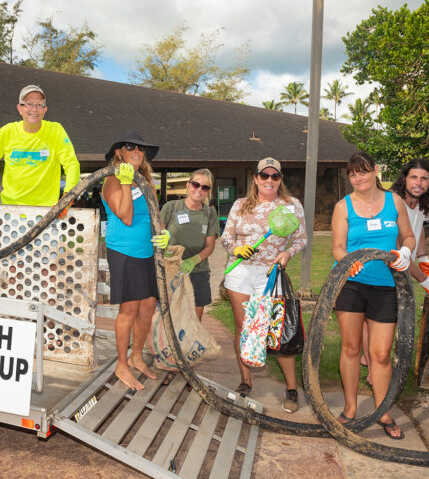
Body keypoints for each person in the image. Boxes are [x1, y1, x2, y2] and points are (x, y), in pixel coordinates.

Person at [332, 152, 415, 440]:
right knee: (352, 348)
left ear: (375, 171)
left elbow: (408, 236)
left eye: (363, 172)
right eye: (353, 174)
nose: (358, 178)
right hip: (351, 284)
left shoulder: (394, 202)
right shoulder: (343, 207)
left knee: (380, 354)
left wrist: (405, 251)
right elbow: (338, 247)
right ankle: (351, 408)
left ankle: (383, 411)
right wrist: (348, 261)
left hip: (385, 285)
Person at [220, 157, 307, 413]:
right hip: (241, 273)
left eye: (275, 176)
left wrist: (287, 254)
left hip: (271, 274)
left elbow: (301, 238)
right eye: (264, 176)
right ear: (256, 178)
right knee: (244, 326)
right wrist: (237, 248)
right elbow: (226, 238)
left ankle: (291, 388)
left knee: (276, 329)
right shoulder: (241, 205)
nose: (269, 181)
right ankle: (246, 380)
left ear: (281, 179)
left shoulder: (291, 206)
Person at [361, 158, 429, 386]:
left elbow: (416, 231)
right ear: (404, 178)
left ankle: (367, 357)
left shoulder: (420, 202)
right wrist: (425, 280)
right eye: (413, 177)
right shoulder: (393, 203)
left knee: (384, 321)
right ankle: (372, 372)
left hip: (397, 266)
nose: (418, 183)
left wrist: (424, 257)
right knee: (374, 322)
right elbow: (399, 251)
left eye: (423, 178)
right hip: (376, 269)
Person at [101, 130, 164, 391]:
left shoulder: (145, 181)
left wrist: (163, 234)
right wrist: (126, 183)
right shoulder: (113, 181)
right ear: (119, 152)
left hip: (147, 250)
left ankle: (136, 356)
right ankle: (121, 365)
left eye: (141, 147)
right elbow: (126, 217)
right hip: (124, 251)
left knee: (148, 307)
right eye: (130, 147)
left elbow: (153, 214)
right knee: (128, 311)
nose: (136, 151)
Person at [0, 85, 80, 217]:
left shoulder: (56, 131)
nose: (34, 109)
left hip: (47, 214)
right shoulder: (7, 132)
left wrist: (67, 198)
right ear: (20, 108)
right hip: (11, 213)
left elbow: (72, 164)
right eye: (29, 104)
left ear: (45, 110)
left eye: (39, 105)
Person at [160, 169, 219, 320]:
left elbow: (210, 246)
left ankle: (189, 344)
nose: (199, 189)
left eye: (204, 187)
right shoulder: (171, 207)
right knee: (169, 316)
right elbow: (157, 234)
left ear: (208, 191)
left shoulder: (209, 214)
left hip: (198, 271)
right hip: (171, 269)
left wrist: (193, 260)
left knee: (194, 320)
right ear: (188, 185)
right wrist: (164, 248)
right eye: (196, 184)